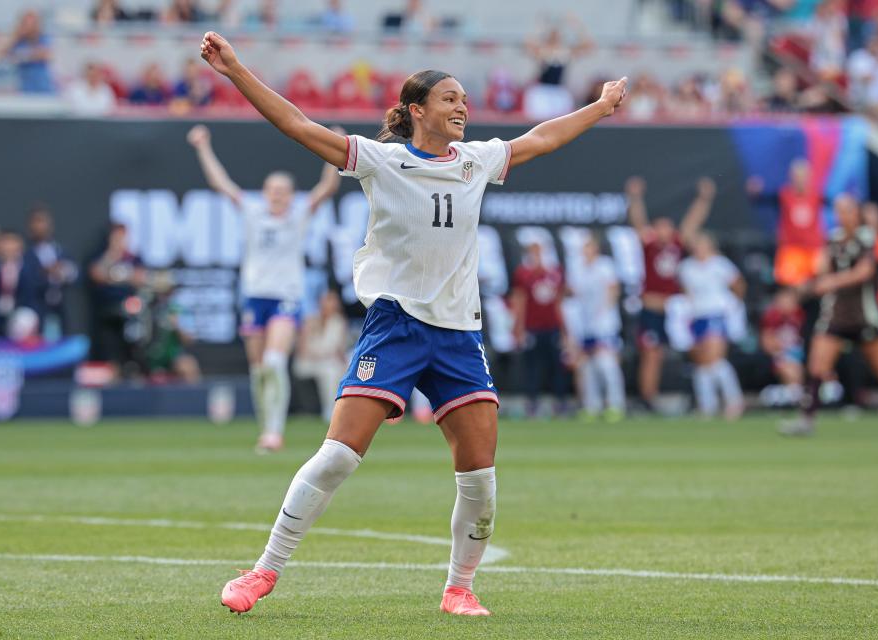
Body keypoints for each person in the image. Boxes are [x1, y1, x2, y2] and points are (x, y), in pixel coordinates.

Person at [198, 30, 627, 617]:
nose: (462, 108)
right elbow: (299, 126)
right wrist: (236, 71)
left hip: (458, 334)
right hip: (395, 325)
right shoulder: (382, 160)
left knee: (480, 478)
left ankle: (459, 588)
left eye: (464, 99)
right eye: (449, 98)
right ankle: (263, 571)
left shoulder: (477, 161)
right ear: (417, 110)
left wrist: (601, 107)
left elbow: (542, 137)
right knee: (338, 456)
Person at [187, 123, 341, 452]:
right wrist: (203, 147)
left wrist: (334, 150)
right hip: (254, 296)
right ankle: (265, 426)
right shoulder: (252, 211)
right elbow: (220, 183)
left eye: (283, 191)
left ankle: (275, 430)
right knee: (258, 370)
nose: (277, 196)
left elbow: (326, 188)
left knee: (273, 362)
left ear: (290, 193)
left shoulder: (299, 213)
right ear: (265, 191)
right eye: (272, 190)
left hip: (285, 297)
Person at [781, 194, 878, 437]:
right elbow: (821, 270)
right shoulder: (833, 239)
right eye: (839, 211)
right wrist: (811, 281)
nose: (843, 216)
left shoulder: (867, 238)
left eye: (848, 210)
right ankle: (806, 420)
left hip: (864, 314)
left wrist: (831, 282)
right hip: (836, 314)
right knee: (817, 365)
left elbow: (865, 272)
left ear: (856, 213)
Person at [626, 175, 715, 411]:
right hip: (652, 309)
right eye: (660, 226)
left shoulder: (677, 244)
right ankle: (648, 399)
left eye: (667, 225)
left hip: (676, 311)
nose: (664, 230)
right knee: (651, 355)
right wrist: (635, 198)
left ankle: (697, 396)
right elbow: (638, 221)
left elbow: (692, 222)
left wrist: (704, 199)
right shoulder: (649, 245)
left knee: (692, 350)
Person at [678, 233, 746, 419]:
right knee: (702, 362)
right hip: (696, 316)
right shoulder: (686, 268)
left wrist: (732, 308)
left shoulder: (720, 264)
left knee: (714, 358)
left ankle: (734, 401)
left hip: (716, 314)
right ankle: (707, 404)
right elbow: (686, 293)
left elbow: (738, 285)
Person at [567, 235, 625, 421]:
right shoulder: (577, 269)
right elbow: (573, 294)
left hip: (604, 323)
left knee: (606, 363)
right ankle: (592, 405)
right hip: (585, 325)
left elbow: (613, 290)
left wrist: (604, 314)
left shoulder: (605, 266)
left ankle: (615, 404)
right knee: (586, 366)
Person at [511, 241, 567, 417]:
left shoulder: (555, 272)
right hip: (532, 327)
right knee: (532, 367)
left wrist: (565, 329)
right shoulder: (523, 273)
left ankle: (560, 402)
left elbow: (559, 302)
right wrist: (518, 328)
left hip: (552, 326)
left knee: (556, 366)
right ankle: (532, 403)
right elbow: (519, 300)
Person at [88, 223, 147, 379]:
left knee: (133, 356)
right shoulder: (102, 255)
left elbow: (140, 278)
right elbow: (96, 274)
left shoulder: (133, 257)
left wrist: (112, 277)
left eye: (123, 236)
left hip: (130, 316)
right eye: (117, 236)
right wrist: (112, 255)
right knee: (110, 359)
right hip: (108, 314)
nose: (120, 240)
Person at [0, 230, 44, 338]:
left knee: (24, 319)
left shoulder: (29, 266)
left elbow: (32, 296)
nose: (9, 247)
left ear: (20, 246)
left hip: (21, 315)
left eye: (12, 242)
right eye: (5, 243)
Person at [295, 289, 349, 420]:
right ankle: (330, 410)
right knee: (330, 371)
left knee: (333, 370)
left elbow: (339, 349)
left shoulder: (339, 322)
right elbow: (302, 348)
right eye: (327, 301)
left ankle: (335, 409)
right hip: (308, 362)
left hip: (329, 362)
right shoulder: (310, 321)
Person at [26, 205, 78, 339]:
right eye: (36, 222)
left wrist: (64, 271)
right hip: (37, 308)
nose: (40, 226)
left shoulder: (61, 250)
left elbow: (76, 274)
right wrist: (44, 273)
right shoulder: (26, 254)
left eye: (43, 221)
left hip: (60, 308)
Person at [774, 158, 825, 288]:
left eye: (803, 176)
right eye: (797, 176)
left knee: (821, 276)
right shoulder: (784, 195)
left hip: (813, 250)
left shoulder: (817, 196)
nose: (800, 179)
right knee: (790, 280)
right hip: (792, 250)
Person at [760, 287, 806, 403]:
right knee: (790, 368)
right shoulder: (772, 317)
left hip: (801, 353)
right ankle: (796, 396)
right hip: (782, 354)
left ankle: (790, 394)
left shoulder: (801, 316)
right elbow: (767, 343)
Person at [0, 10, 55, 95]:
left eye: (32, 23)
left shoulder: (43, 38)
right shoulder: (18, 41)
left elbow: (45, 54)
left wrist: (19, 56)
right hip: (24, 86)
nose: (29, 26)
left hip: (43, 85)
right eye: (26, 23)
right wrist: (16, 36)